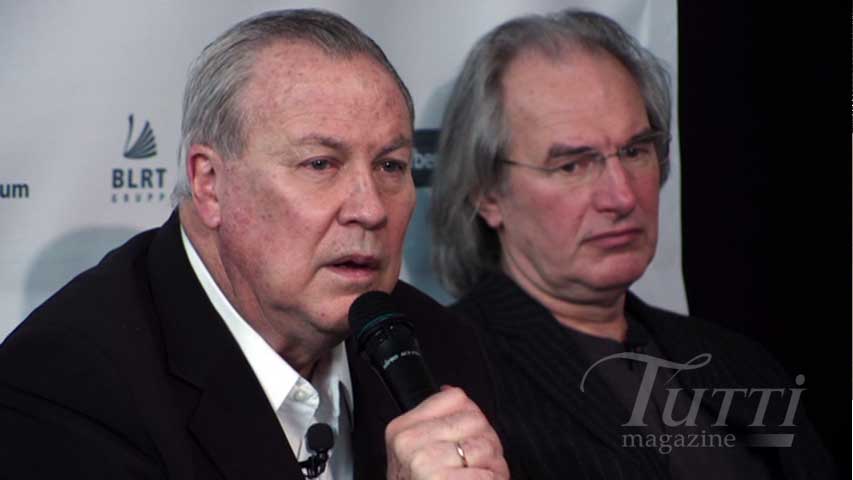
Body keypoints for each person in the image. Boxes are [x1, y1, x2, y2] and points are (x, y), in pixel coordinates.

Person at [0, 9, 508, 480]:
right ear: (210, 183)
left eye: (391, 166)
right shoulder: (69, 384)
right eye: (320, 165)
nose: (371, 208)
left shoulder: (440, 348)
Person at [430, 9, 833, 480]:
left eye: (635, 151)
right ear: (487, 193)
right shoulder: (450, 378)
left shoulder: (738, 362)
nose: (621, 196)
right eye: (573, 165)